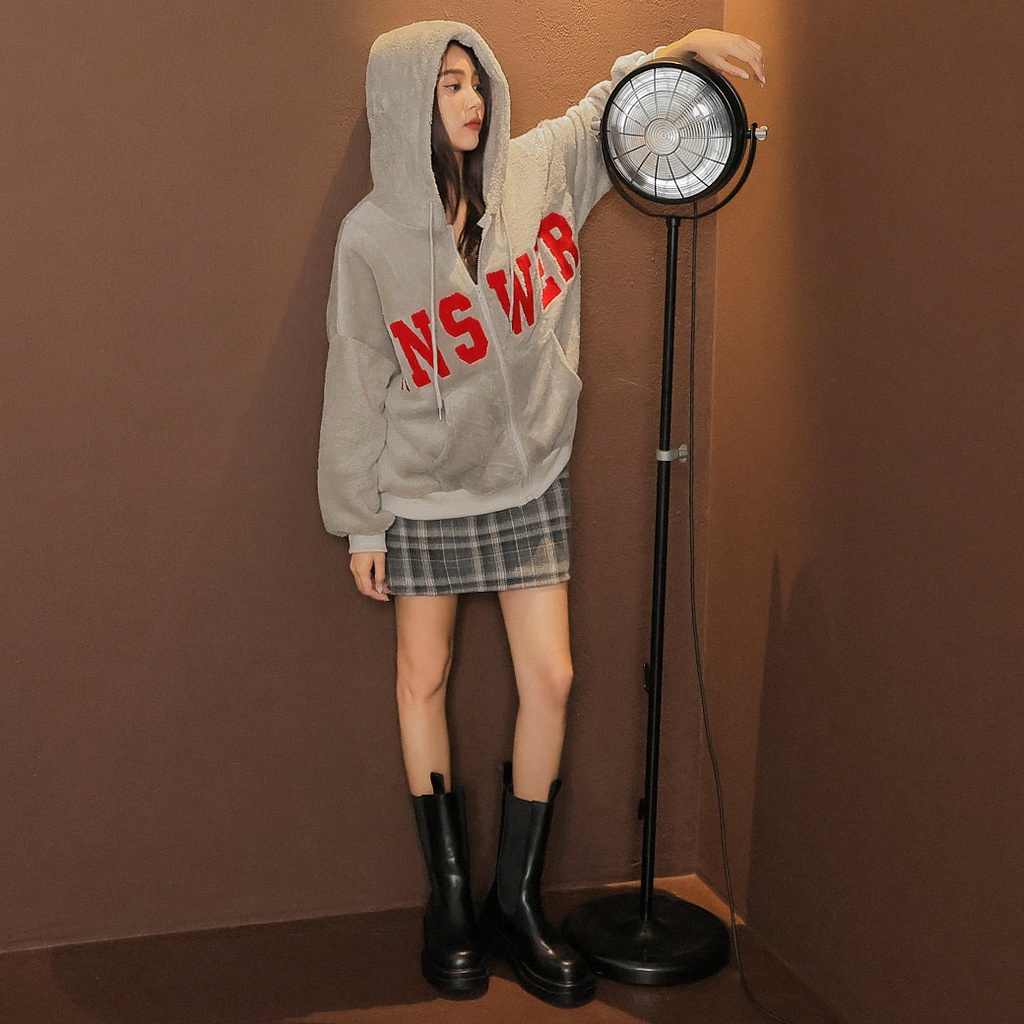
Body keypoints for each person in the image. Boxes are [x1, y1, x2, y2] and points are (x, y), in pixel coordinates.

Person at [318, 20, 765, 1007]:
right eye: (447, 86)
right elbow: (353, 379)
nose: (470, 101)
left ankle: (514, 901)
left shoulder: (538, 170)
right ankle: (449, 900)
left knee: (552, 676)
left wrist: (678, 52)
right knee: (423, 678)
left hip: (528, 481)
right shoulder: (371, 236)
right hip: (424, 488)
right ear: (405, 102)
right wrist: (361, 521)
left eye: (474, 80)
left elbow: (611, 111)